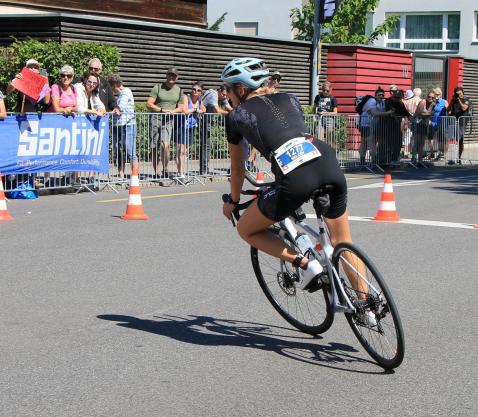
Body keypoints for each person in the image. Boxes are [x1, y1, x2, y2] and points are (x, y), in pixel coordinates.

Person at [221, 57, 371, 318]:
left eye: (228, 89)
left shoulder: (237, 116)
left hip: (295, 177)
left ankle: (306, 263)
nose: (226, 95)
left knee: (246, 228)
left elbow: (238, 167)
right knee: (342, 241)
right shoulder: (290, 98)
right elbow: (288, 133)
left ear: (241, 89)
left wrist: (233, 201)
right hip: (326, 160)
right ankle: (369, 306)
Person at [147, 67, 184, 178]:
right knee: (154, 146)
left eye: (174, 75)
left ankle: (165, 169)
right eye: (170, 74)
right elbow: (149, 104)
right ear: (166, 75)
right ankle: (156, 172)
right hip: (156, 118)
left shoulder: (179, 90)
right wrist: (161, 110)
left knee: (165, 145)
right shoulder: (158, 87)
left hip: (168, 120)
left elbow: (181, 107)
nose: (172, 77)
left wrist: (173, 111)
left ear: (177, 77)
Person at [199, 84, 232, 175]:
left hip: (208, 121)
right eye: (223, 94)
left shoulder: (222, 96)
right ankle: (203, 170)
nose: (225, 97)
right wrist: (231, 114)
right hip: (202, 120)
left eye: (226, 95)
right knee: (206, 145)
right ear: (219, 90)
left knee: (208, 145)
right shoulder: (213, 95)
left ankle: (204, 169)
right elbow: (218, 110)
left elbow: (229, 108)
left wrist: (237, 112)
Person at [108, 74, 137, 180]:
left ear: (116, 84)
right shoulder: (119, 95)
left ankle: (134, 177)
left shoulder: (126, 92)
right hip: (118, 126)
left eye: (111, 87)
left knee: (130, 151)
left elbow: (120, 108)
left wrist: (111, 112)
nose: (112, 89)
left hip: (128, 125)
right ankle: (121, 175)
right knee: (119, 151)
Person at [179, 82, 206, 179]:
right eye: (194, 89)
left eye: (198, 90)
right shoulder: (187, 97)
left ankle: (182, 172)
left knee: (185, 151)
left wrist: (200, 110)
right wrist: (195, 110)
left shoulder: (199, 100)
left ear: (201, 93)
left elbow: (204, 109)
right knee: (181, 151)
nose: (195, 91)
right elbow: (185, 110)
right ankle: (181, 174)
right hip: (182, 126)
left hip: (191, 127)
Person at [382, 89, 409, 164]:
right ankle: (387, 160)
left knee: (398, 143)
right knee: (388, 144)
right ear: (393, 96)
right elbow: (391, 112)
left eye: (399, 97)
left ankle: (394, 160)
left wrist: (409, 118)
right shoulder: (387, 101)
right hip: (387, 126)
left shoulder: (400, 103)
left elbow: (405, 112)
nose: (397, 99)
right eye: (396, 97)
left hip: (397, 126)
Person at [448, 86, 472, 164]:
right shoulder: (454, 100)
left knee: (460, 140)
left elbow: (464, 108)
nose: (459, 94)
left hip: (462, 122)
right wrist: (452, 101)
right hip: (453, 122)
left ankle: (459, 158)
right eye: (457, 93)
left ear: (463, 92)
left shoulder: (467, 100)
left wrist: (459, 100)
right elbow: (448, 109)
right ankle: (451, 158)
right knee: (451, 139)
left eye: (460, 93)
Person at [412, 90, 436, 165]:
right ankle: (413, 159)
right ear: (427, 96)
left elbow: (431, 113)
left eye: (432, 97)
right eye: (429, 96)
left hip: (424, 124)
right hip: (417, 123)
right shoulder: (423, 102)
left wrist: (428, 113)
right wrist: (428, 114)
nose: (430, 98)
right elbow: (418, 113)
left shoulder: (433, 104)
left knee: (422, 143)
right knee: (417, 142)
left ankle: (420, 160)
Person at [313, 81, 338, 146]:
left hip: (329, 118)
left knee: (329, 137)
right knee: (319, 136)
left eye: (327, 91)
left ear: (330, 90)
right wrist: (314, 116)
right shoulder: (318, 97)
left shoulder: (332, 98)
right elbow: (314, 107)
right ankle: (321, 150)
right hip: (319, 118)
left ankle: (329, 149)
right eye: (324, 90)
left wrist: (327, 113)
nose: (325, 92)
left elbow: (335, 112)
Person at [430, 87, 448, 160]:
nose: (434, 96)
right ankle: (437, 153)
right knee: (435, 139)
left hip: (442, 123)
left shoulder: (444, 101)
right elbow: (431, 112)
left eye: (436, 94)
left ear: (439, 94)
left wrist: (447, 109)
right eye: (434, 94)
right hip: (434, 122)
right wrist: (432, 104)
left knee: (442, 139)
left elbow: (449, 111)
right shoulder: (433, 102)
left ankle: (443, 154)